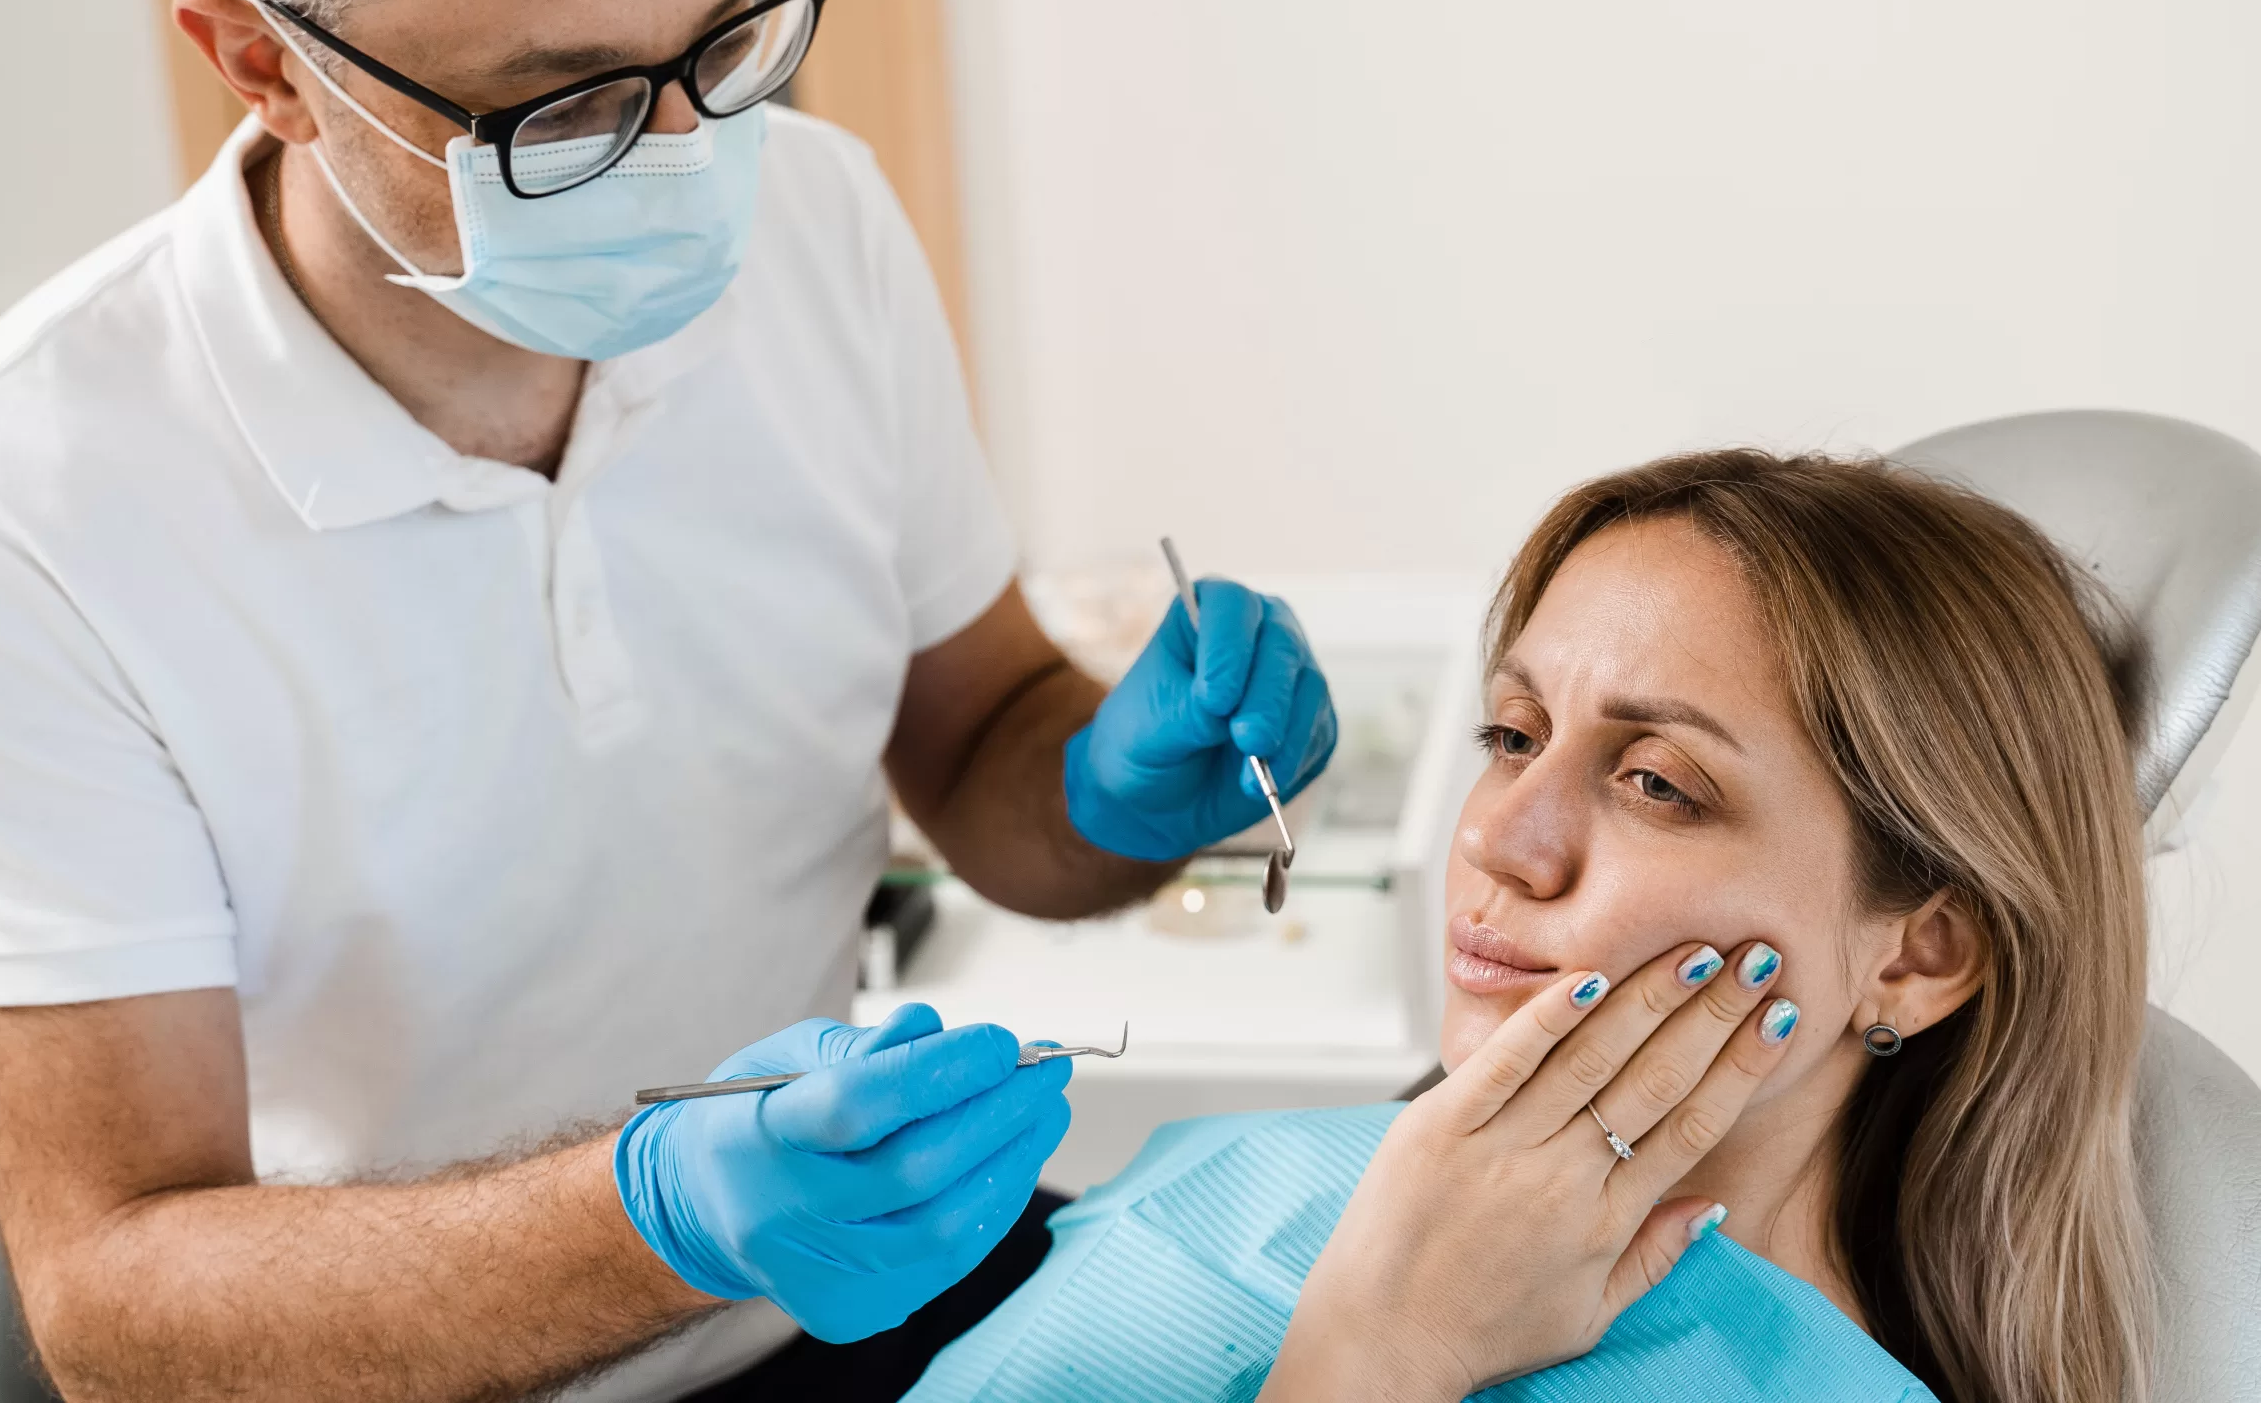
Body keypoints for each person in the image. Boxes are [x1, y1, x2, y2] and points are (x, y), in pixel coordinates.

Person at [0, 0, 1334, 1402]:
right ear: (269, 70)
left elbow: (986, 744)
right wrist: (656, 1218)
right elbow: (118, 1305)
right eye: (562, 112)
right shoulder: (1, 519)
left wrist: (1098, 783)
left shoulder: (820, 225)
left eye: (725, 43)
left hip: (859, 1307)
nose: (697, 160)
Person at [908, 450, 2154, 1403]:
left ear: (1917, 953)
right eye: (1512, 736)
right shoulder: (1320, 1166)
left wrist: (1383, 1351)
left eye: (1657, 782)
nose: (1498, 837)